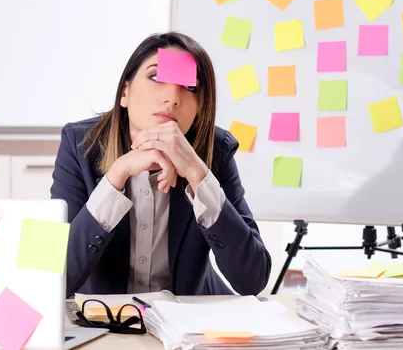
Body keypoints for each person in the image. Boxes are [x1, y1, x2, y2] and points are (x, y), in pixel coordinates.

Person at [51, 31, 271, 298]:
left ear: (201, 108)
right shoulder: (78, 143)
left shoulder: (217, 149)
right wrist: (116, 176)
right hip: (106, 322)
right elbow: (52, 279)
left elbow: (253, 280)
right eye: (156, 77)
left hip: (189, 321)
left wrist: (198, 176)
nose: (173, 97)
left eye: (190, 87)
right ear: (124, 92)